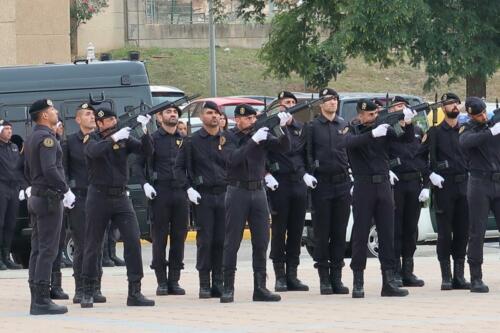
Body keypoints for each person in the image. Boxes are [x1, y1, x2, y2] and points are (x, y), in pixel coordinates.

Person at [80, 105, 154, 307]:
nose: (114, 124)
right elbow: (94, 152)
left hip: (121, 197)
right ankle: (88, 290)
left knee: (132, 240)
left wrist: (145, 130)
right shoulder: (92, 138)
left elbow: (147, 151)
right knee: (93, 244)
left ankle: (135, 291)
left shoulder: (125, 139)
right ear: (100, 123)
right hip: (98, 197)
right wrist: (114, 137)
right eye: (109, 121)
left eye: (115, 120)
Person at [220, 104, 292, 303]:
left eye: (254, 118)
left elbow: (284, 148)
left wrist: (282, 128)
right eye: (248, 118)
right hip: (237, 191)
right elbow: (233, 159)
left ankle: (260, 287)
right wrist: (253, 140)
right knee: (232, 241)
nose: (252, 122)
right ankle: (228, 287)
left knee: (261, 241)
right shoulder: (229, 137)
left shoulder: (262, 134)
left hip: (258, 191)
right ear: (238, 119)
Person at [339, 99, 411, 298]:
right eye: (370, 115)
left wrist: (408, 123)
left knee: (387, 233)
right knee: (360, 233)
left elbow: (404, 140)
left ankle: (388, 281)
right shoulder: (351, 129)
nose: (374, 117)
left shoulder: (383, 127)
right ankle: (358, 282)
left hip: (384, 185)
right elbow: (346, 143)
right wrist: (371, 134)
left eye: (375, 114)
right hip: (363, 185)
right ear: (360, 115)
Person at [23, 99, 75, 315]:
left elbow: (26, 169)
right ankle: (42, 300)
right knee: (48, 250)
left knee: (37, 249)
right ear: (44, 116)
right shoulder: (47, 139)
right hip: (48, 199)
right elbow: (51, 169)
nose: (56, 112)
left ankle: (37, 295)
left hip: (36, 196)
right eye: (52, 110)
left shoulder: (32, 137)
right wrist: (65, 190)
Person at [133, 104, 188, 296]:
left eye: (175, 112)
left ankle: (174, 280)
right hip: (160, 192)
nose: (172, 114)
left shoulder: (184, 140)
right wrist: (144, 184)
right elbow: (137, 165)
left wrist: (190, 188)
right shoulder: (152, 139)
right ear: (159, 117)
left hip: (180, 192)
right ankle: (161, 281)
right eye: (168, 112)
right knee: (160, 238)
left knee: (179, 237)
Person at [174, 101, 227, 298]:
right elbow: (178, 168)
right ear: (202, 117)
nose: (214, 116)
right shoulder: (192, 141)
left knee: (222, 240)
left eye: (217, 113)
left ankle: (219, 281)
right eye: (210, 113)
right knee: (205, 240)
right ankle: (204, 282)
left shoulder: (227, 139)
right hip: (203, 196)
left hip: (225, 194)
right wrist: (188, 188)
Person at [419, 93, 470, 290]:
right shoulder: (434, 133)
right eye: (449, 103)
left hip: (464, 186)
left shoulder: (465, 130)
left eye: (456, 103)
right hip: (444, 186)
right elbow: (419, 157)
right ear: (443, 108)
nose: (454, 106)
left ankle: (459, 275)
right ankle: (446, 276)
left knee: (462, 232)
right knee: (444, 233)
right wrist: (429, 174)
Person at [304, 88, 352, 295]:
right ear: (320, 104)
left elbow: (350, 151)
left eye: (335, 99)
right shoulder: (313, 126)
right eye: (328, 100)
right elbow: (306, 153)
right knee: (322, 233)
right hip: (321, 184)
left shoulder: (343, 125)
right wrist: (308, 173)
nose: (332, 103)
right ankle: (324, 278)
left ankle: (337, 277)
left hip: (342, 184)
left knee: (340, 232)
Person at [62, 103, 107, 304]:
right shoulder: (70, 142)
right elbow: (64, 170)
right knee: (82, 244)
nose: (92, 117)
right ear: (78, 119)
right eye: (87, 114)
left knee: (98, 244)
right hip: (79, 198)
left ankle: (95, 287)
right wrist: (66, 192)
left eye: (94, 114)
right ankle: (81, 288)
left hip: (100, 196)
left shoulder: (102, 140)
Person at [265, 91, 310, 293]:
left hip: (298, 182)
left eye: (293, 102)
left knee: (296, 230)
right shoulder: (272, 128)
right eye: (286, 102)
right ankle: (280, 276)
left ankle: (293, 274)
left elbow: (306, 155)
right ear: (279, 106)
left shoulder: (301, 128)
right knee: (279, 230)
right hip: (279, 182)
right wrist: (266, 173)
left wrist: (307, 174)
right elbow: (263, 152)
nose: (290, 105)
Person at [459, 96, 500, 293]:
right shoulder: (468, 129)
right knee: (477, 231)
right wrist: (491, 132)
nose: (483, 116)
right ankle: (476, 277)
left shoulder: (495, 124)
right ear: (471, 116)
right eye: (478, 115)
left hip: (498, 181)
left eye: (484, 112)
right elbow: (465, 142)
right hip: (479, 183)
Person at [386, 96, 426, 287]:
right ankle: (394, 270)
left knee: (411, 228)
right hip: (396, 184)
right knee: (396, 228)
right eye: (396, 107)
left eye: (402, 106)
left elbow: (422, 157)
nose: (400, 109)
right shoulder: (387, 130)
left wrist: (425, 185)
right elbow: (397, 138)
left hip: (414, 183)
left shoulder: (417, 131)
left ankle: (407, 270)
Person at [0, 119, 23, 270]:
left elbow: (19, 167)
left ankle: (6, 257)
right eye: (6, 128)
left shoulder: (14, 147)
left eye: (10, 128)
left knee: (10, 224)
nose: (9, 131)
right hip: (1, 187)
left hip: (14, 189)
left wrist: (21, 187)